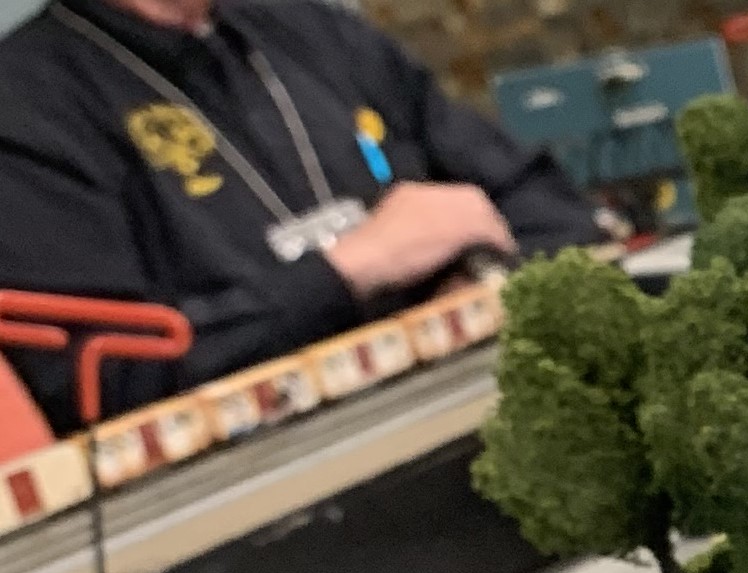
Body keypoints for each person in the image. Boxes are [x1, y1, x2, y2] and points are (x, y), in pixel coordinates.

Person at [0, 0, 602, 432]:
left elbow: (546, 207)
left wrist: (483, 283)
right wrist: (349, 270)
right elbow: (107, 380)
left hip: (491, 415)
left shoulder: (313, 29)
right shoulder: (24, 106)